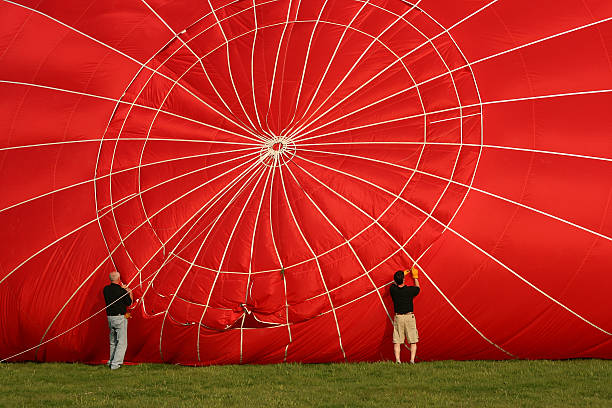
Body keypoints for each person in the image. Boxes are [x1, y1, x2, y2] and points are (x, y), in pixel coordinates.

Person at [103, 271, 133, 370]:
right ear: (119, 279)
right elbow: (129, 303)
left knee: (113, 341)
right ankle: (116, 364)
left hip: (110, 318)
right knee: (122, 342)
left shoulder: (106, 289)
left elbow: (113, 294)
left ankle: (111, 361)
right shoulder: (122, 291)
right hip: (120, 318)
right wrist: (129, 292)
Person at [389, 266, 420, 364]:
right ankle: (412, 360)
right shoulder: (409, 290)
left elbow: (393, 284)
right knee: (413, 340)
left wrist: (401, 275)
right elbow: (418, 288)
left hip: (398, 317)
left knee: (397, 340)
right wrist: (415, 277)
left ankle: (398, 360)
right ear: (403, 279)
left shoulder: (393, 290)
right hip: (409, 317)